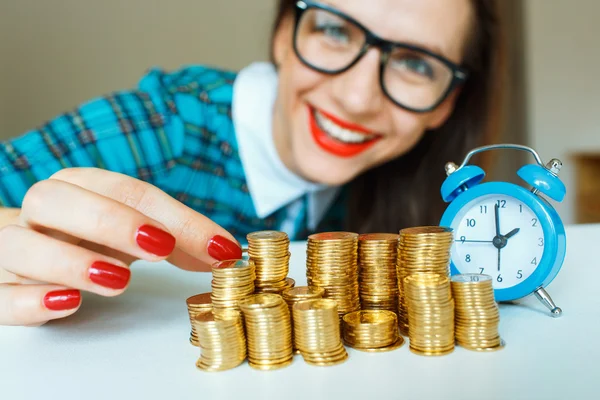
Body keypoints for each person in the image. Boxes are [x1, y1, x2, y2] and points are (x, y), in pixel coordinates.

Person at [0, 0, 505, 326]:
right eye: (334, 30)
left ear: (447, 101)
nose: (356, 98)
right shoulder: (157, 128)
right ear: (286, 32)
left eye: (417, 64)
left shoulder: (423, 195)